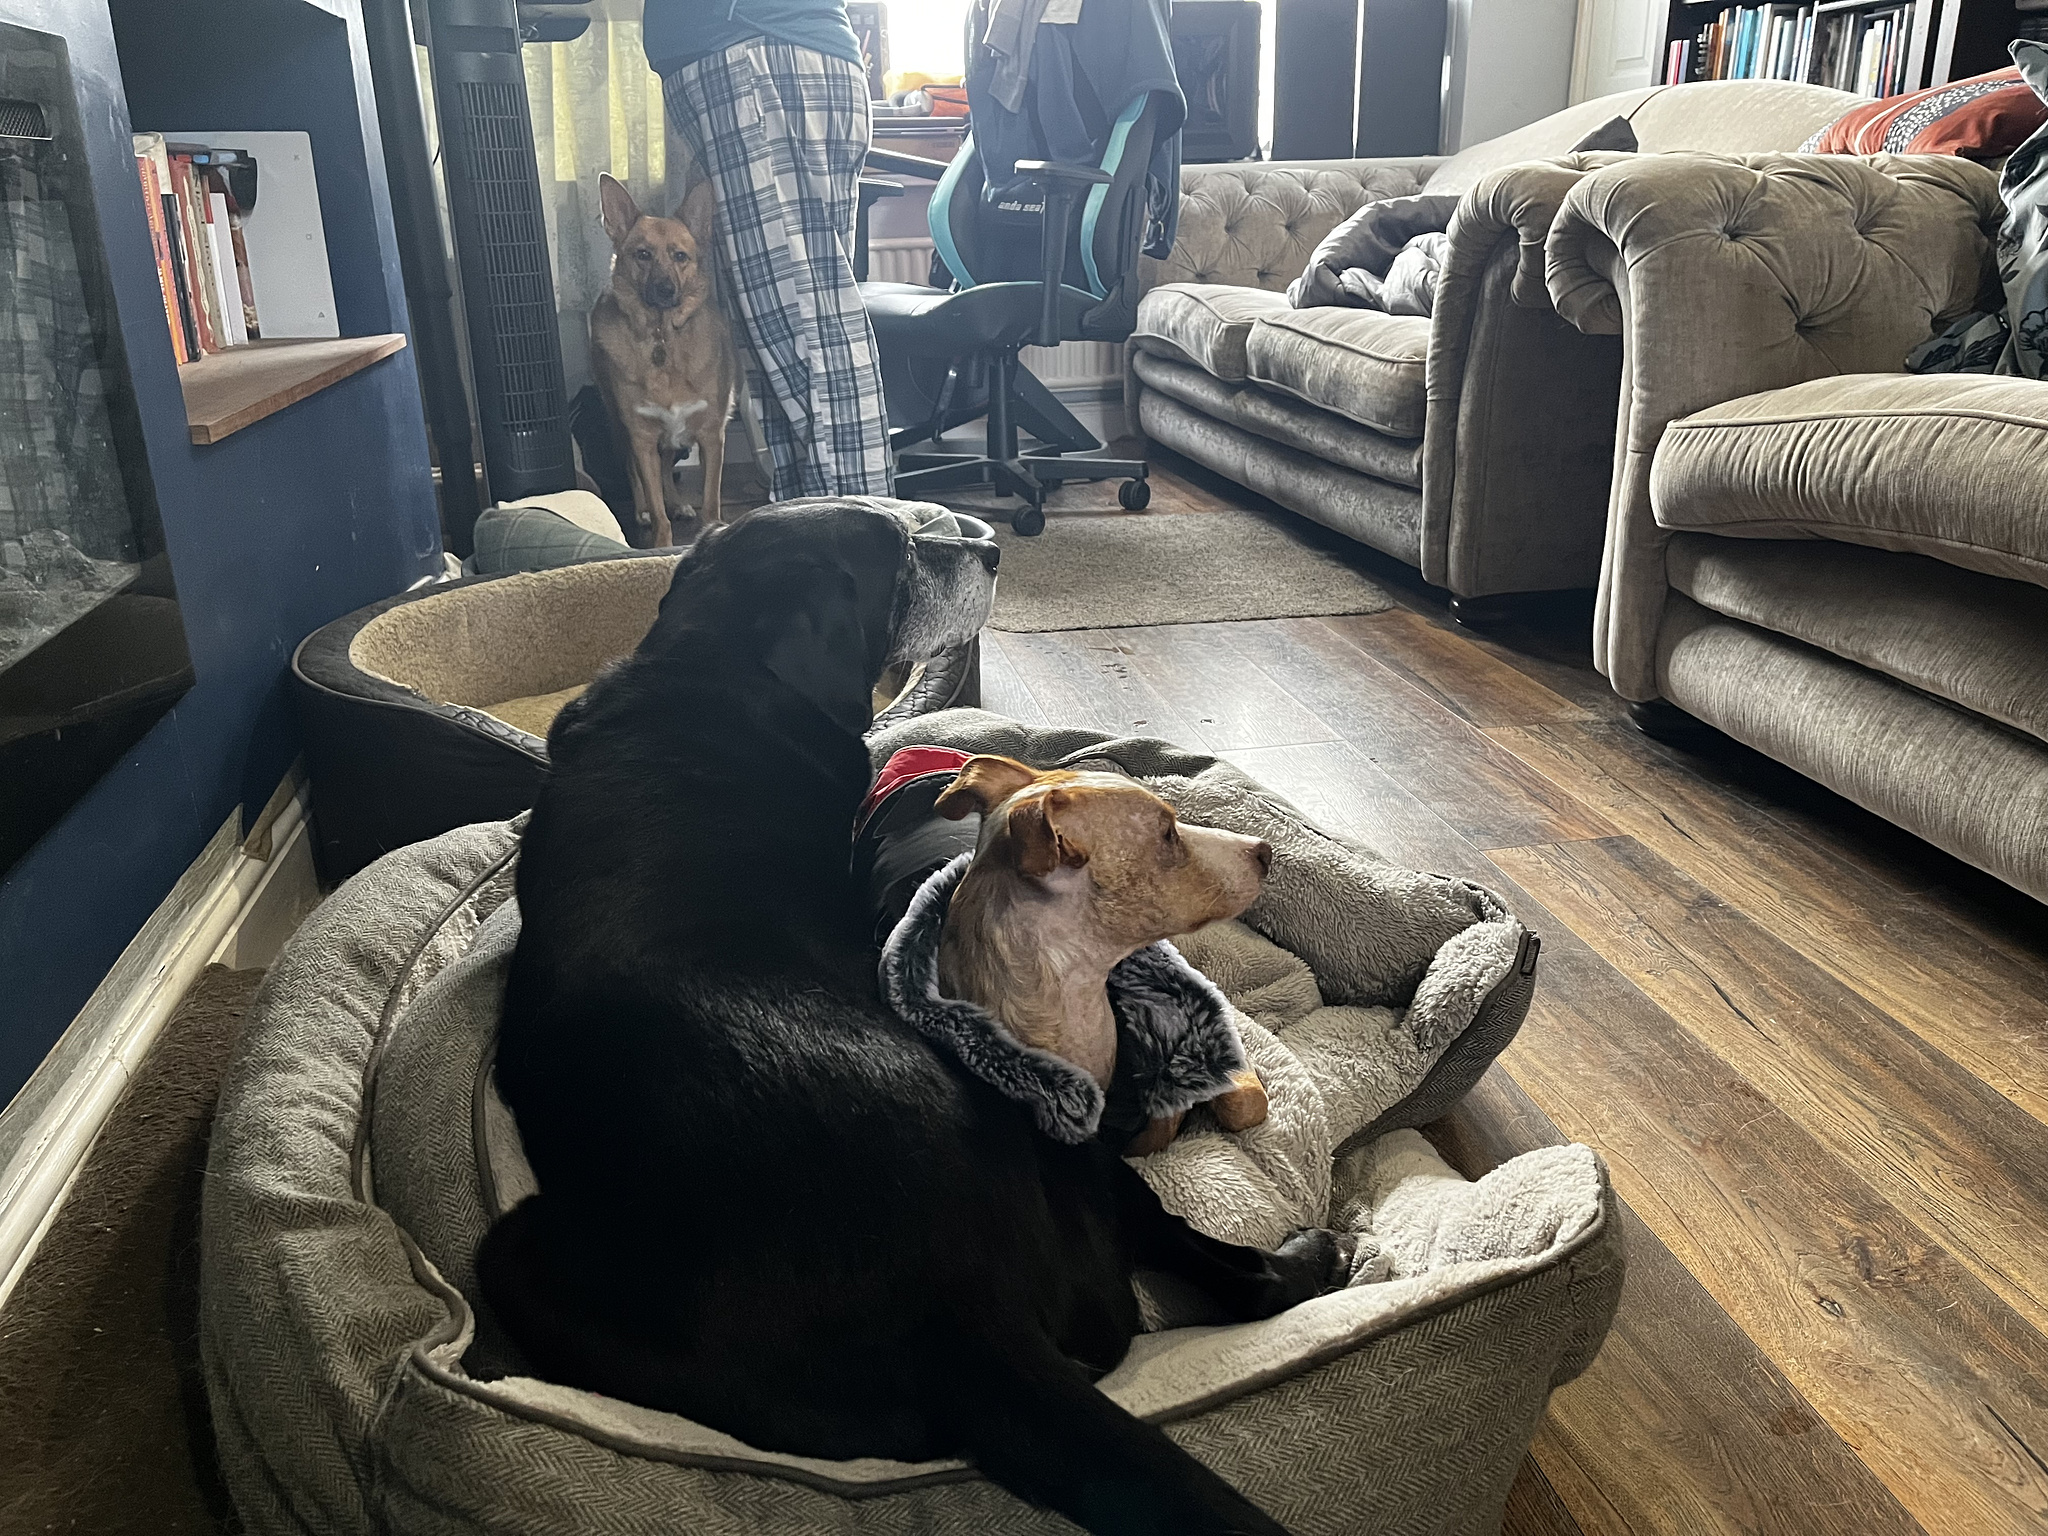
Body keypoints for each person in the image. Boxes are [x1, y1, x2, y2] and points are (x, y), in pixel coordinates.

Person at [645, 0, 894, 500]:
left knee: (804, 336)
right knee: (785, 339)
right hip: (765, 56)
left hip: (758, 56)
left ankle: (868, 544)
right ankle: (812, 537)